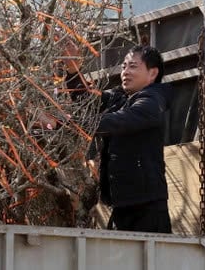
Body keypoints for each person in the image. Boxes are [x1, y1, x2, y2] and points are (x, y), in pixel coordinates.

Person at [65, 44, 173, 233]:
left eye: (133, 66)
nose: (125, 72)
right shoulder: (119, 97)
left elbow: (118, 121)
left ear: (152, 73)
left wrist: (66, 124)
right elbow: (88, 103)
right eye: (124, 66)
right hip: (121, 204)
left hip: (146, 208)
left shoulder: (153, 101)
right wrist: (74, 70)